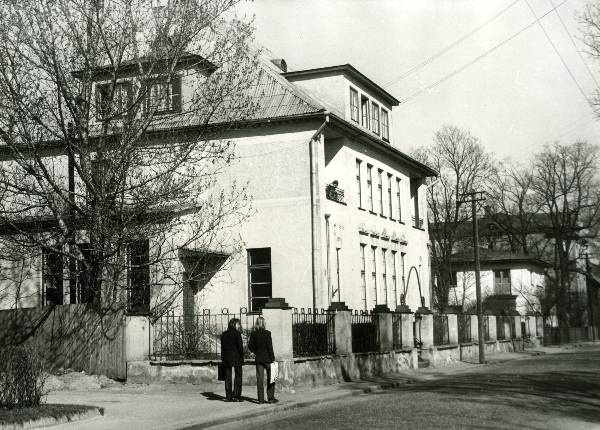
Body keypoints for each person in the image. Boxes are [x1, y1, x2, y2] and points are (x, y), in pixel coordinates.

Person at [248, 316, 276, 404]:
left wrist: (256, 351)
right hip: (268, 359)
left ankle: (260, 399)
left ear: (256, 323)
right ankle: (270, 398)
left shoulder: (254, 334)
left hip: (259, 359)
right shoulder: (268, 333)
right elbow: (269, 347)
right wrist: (273, 359)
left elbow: (250, 346)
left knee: (260, 380)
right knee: (271, 379)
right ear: (264, 323)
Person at [220, 318, 244, 402]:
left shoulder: (223, 334)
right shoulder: (237, 334)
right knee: (238, 376)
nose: (239, 325)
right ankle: (236, 396)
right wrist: (242, 357)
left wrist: (222, 358)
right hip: (237, 357)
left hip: (226, 358)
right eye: (238, 324)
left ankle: (228, 396)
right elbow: (240, 347)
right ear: (234, 324)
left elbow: (222, 348)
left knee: (228, 377)